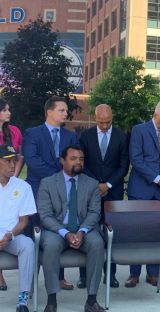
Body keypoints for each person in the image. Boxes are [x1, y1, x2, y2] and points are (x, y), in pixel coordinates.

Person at [37, 145, 105, 312]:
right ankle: (51, 301)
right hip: (56, 230)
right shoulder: (47, 183)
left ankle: (91, 301)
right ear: (62, 161)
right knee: (51, 246)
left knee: (97, 244)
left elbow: (94, 212)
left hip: (84, 229)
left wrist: (82, 231)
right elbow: (45, 215)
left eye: (81, 159)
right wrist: (66, 233)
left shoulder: (91, 184)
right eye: (73, 158)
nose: (78, 162)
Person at [23, 96, 78, 291]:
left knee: (59, 232)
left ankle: (59, 277)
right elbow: (32, 159)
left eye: (65, 110)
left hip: (64, 193)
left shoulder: (70, 136)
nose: (66, 113)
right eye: (62, 110)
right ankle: (30, 281)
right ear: (50, 112)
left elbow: (73, 160)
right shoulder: (32, 133)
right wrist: (56, 177)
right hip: (38, 192)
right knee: (35, 235)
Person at [126, 101, 160, 288]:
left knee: (156, 234)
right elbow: (136, 160)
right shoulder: (139, 130)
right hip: (141, 190)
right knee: (136, 233)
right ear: (155, 115)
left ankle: (153, 274)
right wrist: (157, 179)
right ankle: (134, 274)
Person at [78, 104, 129, 288]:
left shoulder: (122, 136)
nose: (105, 126)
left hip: (112, 191)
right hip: (90, 190)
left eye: (108, 122)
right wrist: (96, 184)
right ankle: (84, 275)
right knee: (86, 230)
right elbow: (81, 163)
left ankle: (110, 275)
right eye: (101, 122)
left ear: (112, 118)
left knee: (111, 233)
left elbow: (123, 165)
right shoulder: (85, 136)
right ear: (95, 118)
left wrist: (107, 184)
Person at [0, 145, 36, 312]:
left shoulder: (23, 187)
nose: (12, 165)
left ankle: (23, 300)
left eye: (14, 160)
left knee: (28, 245)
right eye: (7, 161)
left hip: (12, 237)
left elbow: (23, 221)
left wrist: (9, 235)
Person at [0, 98, 25, 291]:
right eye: (5, 110)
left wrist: (12, 177)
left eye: (9, 109)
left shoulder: (14, 131)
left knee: (12, 219)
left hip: (12, 181)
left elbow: (19, 156)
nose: (9, 113)